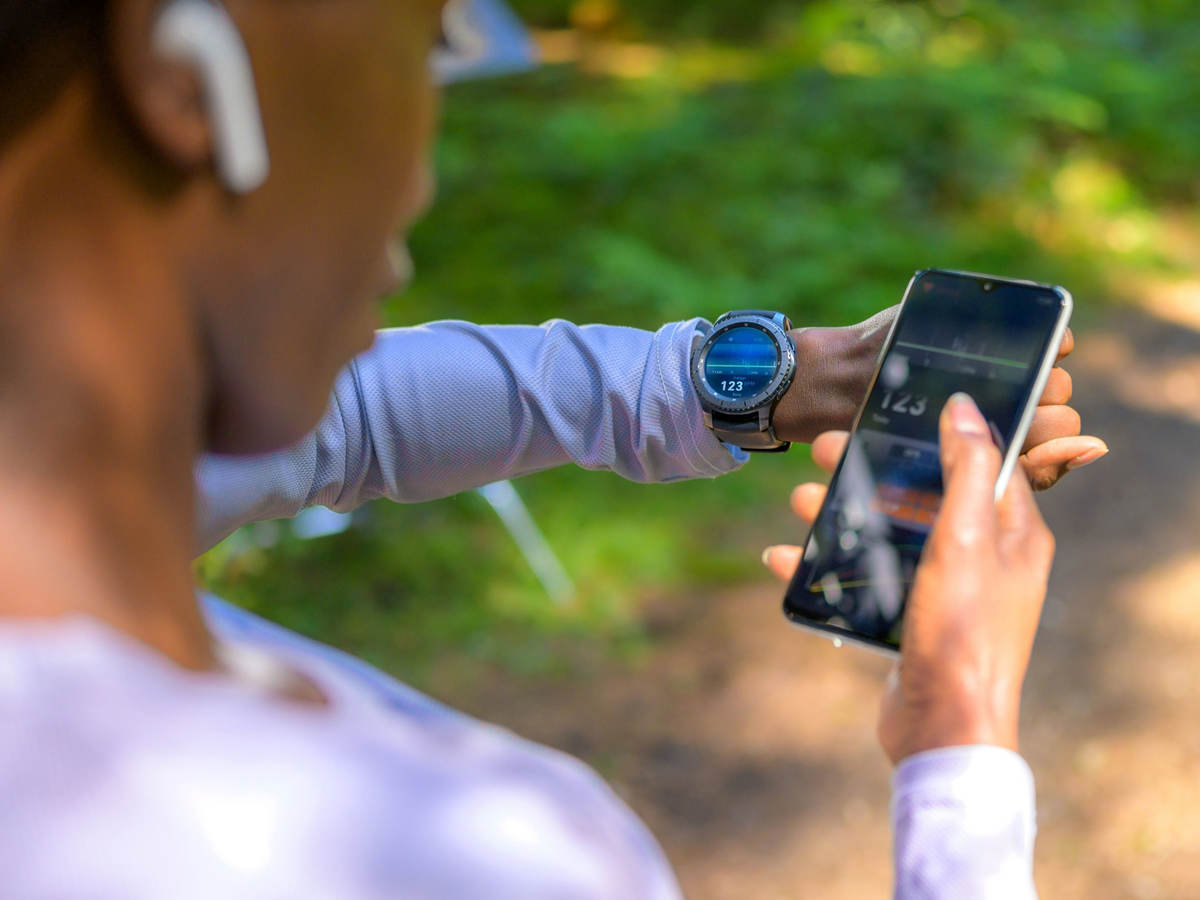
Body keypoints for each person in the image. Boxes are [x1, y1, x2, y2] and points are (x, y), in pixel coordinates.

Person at [0, 1, 1104, 897]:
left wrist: (769, 382)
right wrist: (959, 748)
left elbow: (348, 421)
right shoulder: (473, 855)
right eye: (426, 46)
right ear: (184, 68)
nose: (421, 175)